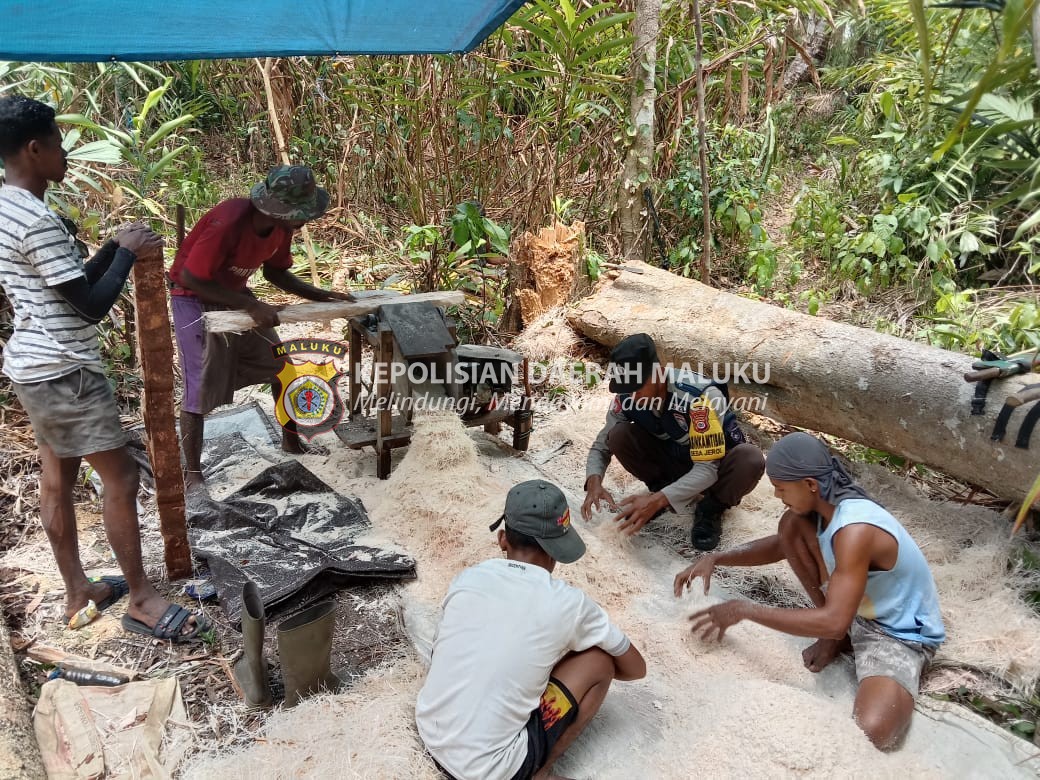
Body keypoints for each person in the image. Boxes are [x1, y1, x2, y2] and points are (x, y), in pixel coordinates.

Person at [0, 95, 209, 642]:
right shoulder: (38, 220)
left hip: (34, 367)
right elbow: (90, 305)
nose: (66, 153)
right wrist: (129, 250)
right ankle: (141, 599)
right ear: (34, 148)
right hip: (65, 370)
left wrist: (111, 248)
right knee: (122, 476)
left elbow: (68, 284)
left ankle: (78, 592)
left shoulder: (7, 207)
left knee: (58, 477)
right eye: (59, 143)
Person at [673, 432, 945, 750]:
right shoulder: (826, 506)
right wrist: (717, 558)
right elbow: (779, 547)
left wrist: (744, 610)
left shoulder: (856, 530)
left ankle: (842, 639)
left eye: (781, 487)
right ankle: (838, 640)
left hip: (896, 633)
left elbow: (834, 621)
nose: (776, 495)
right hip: (852, 611)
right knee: (791, 525)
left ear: (810, 485)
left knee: (874, 731)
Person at [416, 479, 646, 780]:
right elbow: (635, 669)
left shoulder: (467, 578)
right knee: (599, 661)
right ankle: (542, 772)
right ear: (557, 552)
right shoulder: (570, 603)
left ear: (502, 539)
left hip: (430, 737)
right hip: (494, 769)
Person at [167, 165, 354, 491]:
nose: (305, 220)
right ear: (282, 210)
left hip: (235, 295)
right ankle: (193, 473)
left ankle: (291, 442)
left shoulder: (282, 230)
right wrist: (252, 306)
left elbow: (276, 274)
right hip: (193, 299)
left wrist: (319, 294)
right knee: (199, 386)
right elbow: (190, 277)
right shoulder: (228, 220)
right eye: (302, 213)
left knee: (282, 366)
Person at [582, 333, 765, 551]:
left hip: (714, 469)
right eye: (627, 388)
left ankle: (711, 508)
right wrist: (594, 482)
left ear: (658, 373)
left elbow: (707, 469)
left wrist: (657, 500)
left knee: (750, 459)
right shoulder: (627, 396)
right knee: (619, 435)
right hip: (674, 462)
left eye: (637, 387)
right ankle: (663, 490)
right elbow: (602, 444)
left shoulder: (700, 396)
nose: (632, 396)